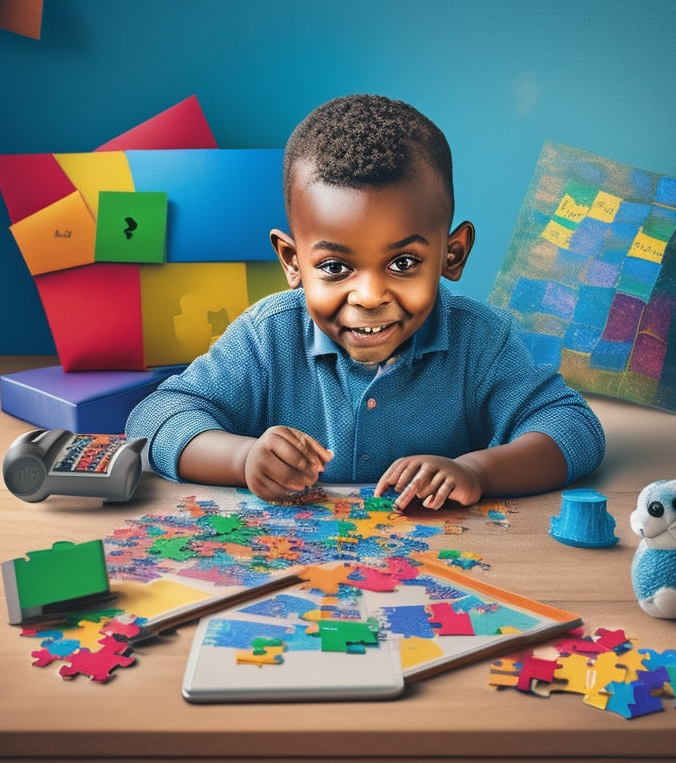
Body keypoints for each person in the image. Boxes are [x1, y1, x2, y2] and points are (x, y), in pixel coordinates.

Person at [126, 94, 605, 510]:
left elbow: (572, 427)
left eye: (402, 263)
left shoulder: (479, 341)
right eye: (335, 267)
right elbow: (155, 419)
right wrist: (242, 458)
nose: (371, 296)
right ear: (293, 261)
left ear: (452, 254)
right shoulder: (266, 336)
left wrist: (478, 472)